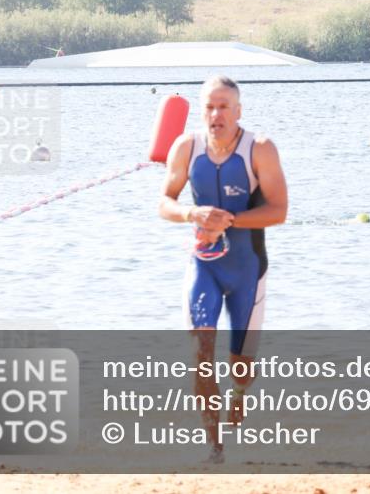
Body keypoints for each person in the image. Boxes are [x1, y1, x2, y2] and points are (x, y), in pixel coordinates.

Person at [159, 75, 288, 464]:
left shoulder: (259, 150)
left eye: (223, 107)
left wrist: (228, 219)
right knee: (200, 351)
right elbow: (164, 202)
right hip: (205, 268)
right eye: (209, 108)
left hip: (248, 269)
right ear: (202, 111)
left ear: (238, 111)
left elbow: (278, 211)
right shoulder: (186, 147)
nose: (216, 115)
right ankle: (213, 446)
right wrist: (191, 213)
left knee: (241, 366)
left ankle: (239, 392)